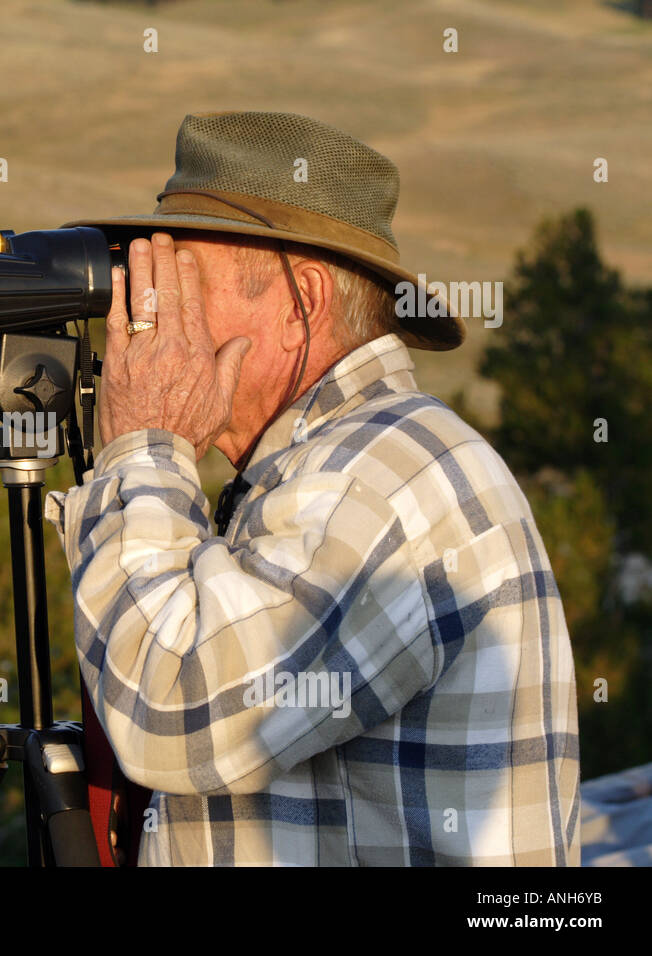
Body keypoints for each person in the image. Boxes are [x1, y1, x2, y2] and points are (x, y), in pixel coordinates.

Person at [45, 110, 580, 865]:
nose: (143, 310)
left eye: (181, 282)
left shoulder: (381, 475)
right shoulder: (313, 470)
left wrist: (143, 449)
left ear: (304, 303)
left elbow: (168, 714)